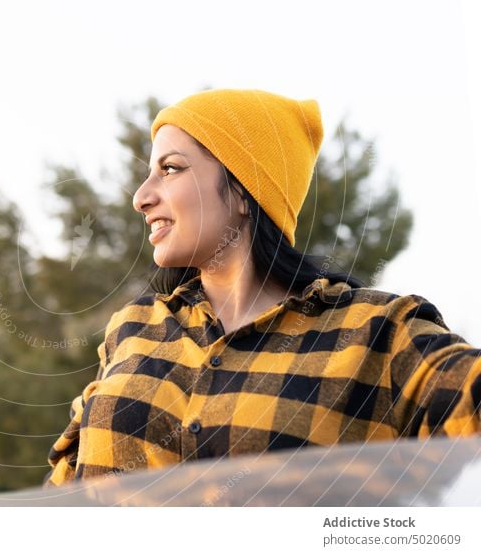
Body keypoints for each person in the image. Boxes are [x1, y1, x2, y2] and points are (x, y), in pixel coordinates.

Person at [42, 88, 481, 488]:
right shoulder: (132, 329)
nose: (140, 196)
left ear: (241, 190)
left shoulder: (380, 336)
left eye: (170, 169)